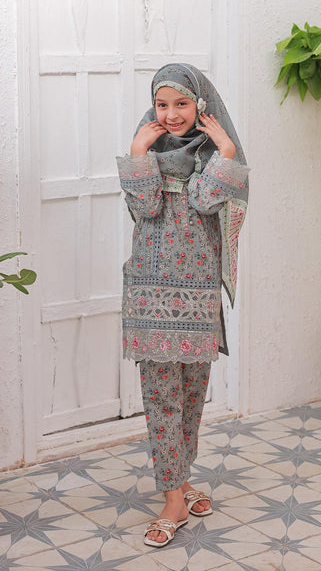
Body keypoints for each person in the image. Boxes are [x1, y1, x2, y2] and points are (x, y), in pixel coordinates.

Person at [116, 63, 249, 548]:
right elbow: (147, 207)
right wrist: (137, 153)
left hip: (197, 295)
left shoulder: (214, 152)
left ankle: (182, 478)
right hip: (151, 292)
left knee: (192, 395)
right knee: (161, 399)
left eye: (182, 104)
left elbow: (205, 202)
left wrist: (228, 151)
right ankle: (173, 497)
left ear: (201, 106)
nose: (171, 115)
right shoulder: (146, 149)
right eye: (162, 104)